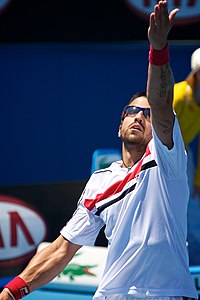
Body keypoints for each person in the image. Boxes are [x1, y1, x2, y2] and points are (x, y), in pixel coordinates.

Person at [0, 1, 198, 300]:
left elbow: (161, 102)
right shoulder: (100, 181)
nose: (139, 117)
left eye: (146, 114)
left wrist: (158, 49)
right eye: (132, 111)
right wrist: (15, 289)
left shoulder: (166, 158)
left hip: (166, 293)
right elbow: (63, 248)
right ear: (120, 124)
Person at [173, 48, 200, 265]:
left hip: (185, 153)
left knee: (192, 204)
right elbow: (156, 131)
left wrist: (198, 180)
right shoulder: (179, 95)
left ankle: (194, 263)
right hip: (163, 153)